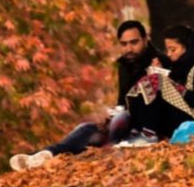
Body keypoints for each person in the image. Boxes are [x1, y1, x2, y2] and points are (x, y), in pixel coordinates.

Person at [9, 20, 156, 171]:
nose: (129, 49)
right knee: (86, 129)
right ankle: (43, 155)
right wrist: (111, 121)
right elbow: (122, 103)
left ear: (146, 40)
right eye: (124, 44)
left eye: (134, 42)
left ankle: (106, 151)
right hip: (124, 126)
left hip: (147, 131)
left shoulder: (159, 64)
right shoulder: (125, 66)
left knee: (111, 127)